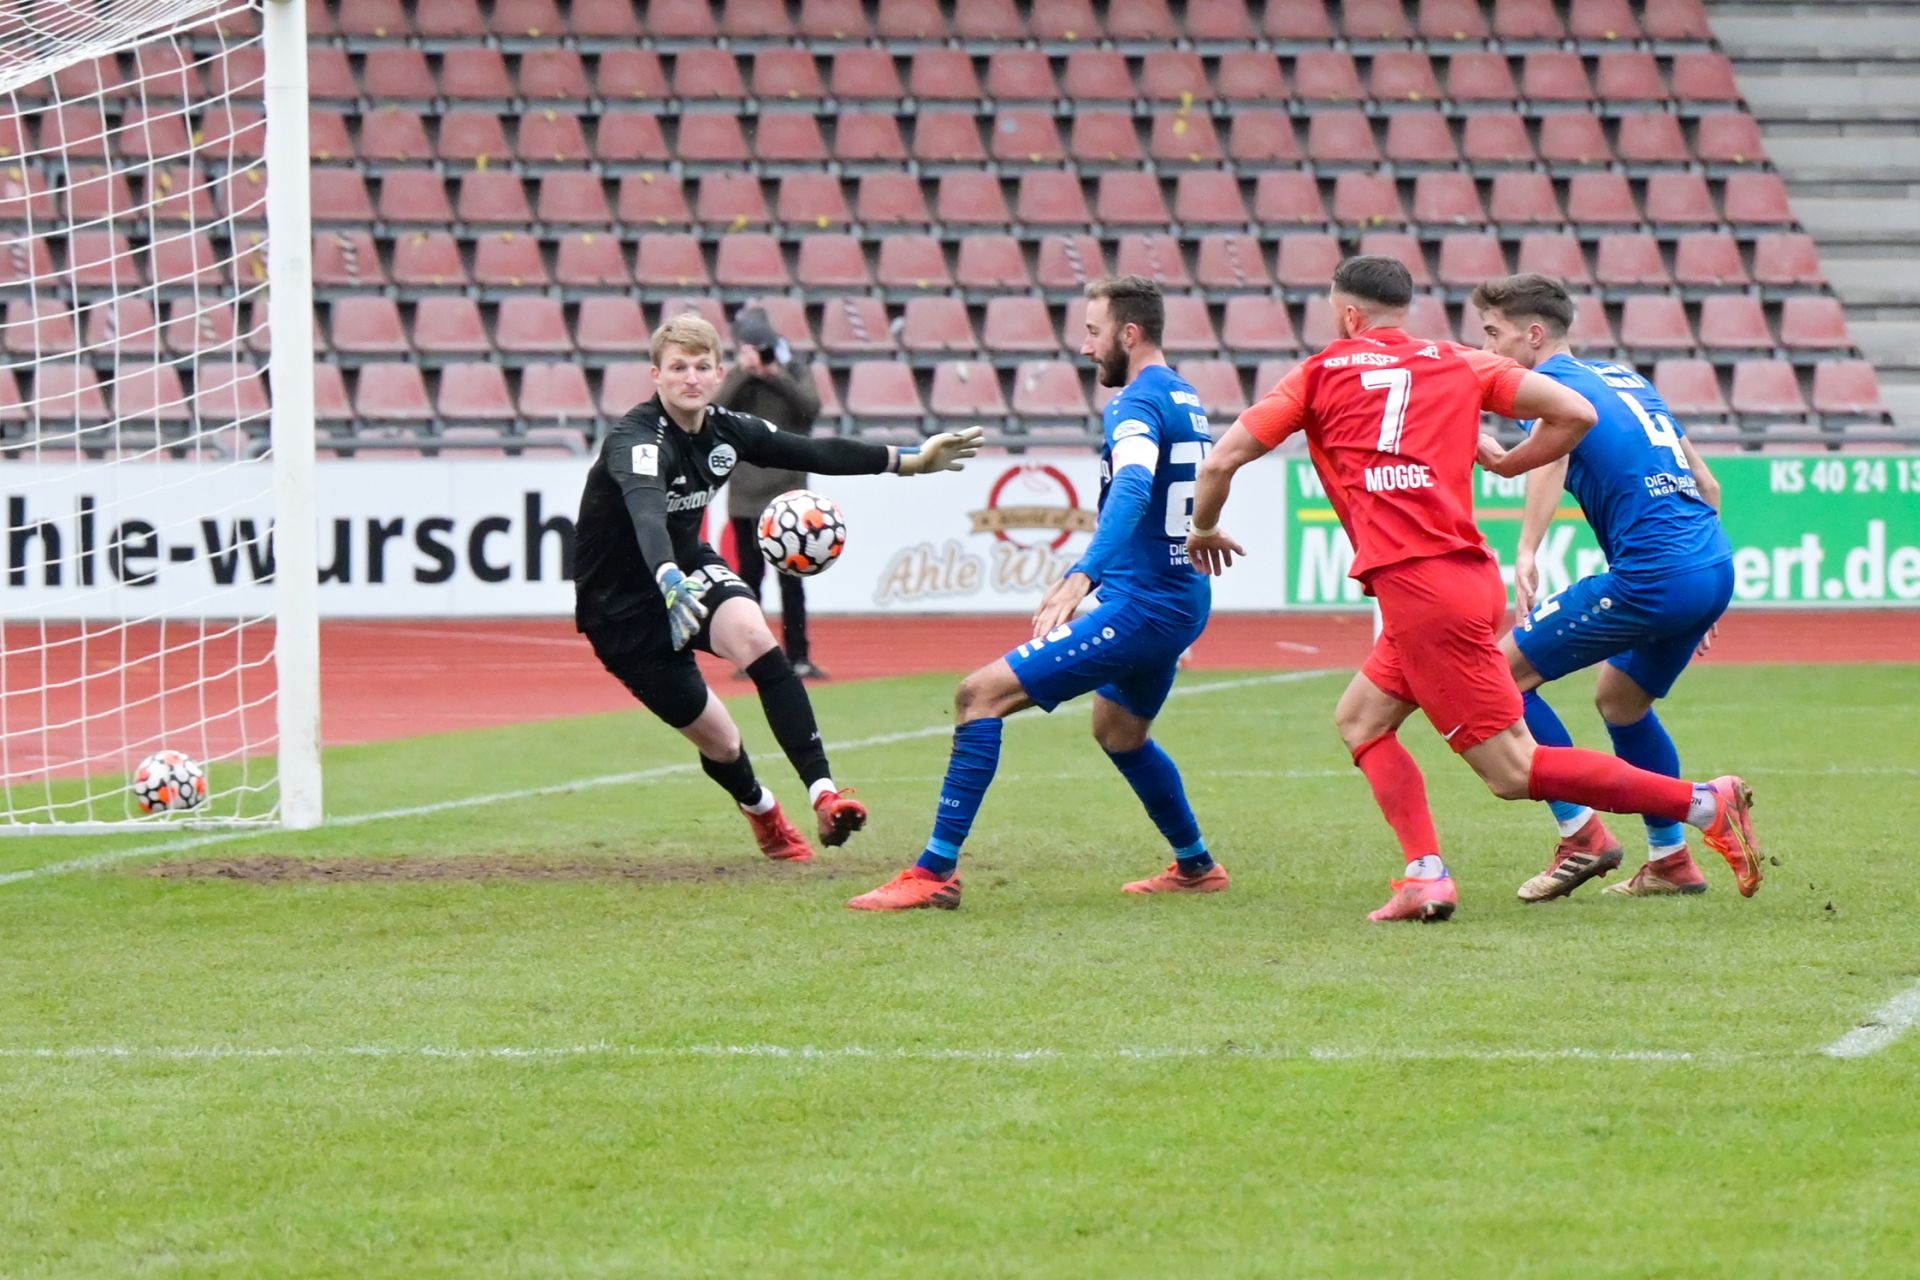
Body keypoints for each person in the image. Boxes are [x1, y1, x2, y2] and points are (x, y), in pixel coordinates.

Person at [1186, 256, 1764, 923]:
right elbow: (1576, 416)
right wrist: (1506, 465)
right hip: (1471, 578)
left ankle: (1699, 804)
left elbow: (1221, 461)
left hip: (1422, 589)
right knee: (1361, 720)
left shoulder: (1319, 373)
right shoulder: (1459, 361)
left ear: (1348, 315)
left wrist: (1203, 528)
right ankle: (1427, 874)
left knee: (1512, 772)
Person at [847, 276, 1222, 911]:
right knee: (1119, 733)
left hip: (1143, 606)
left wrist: (1083, 575)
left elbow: (1135, 487)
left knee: (978, 696)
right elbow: (1188, 481)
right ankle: (1196, 864)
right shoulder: (1184, 396)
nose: (1086, 346)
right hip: (1181, 597)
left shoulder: (1133, 404)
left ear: (1129, 334)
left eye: (1094, 332)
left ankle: (934, 871)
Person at [573, 313, 983, 864]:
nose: (691, 377)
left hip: (688, 571)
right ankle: (762, 809)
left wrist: (909, 461)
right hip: (619, 609)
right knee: (722, 743)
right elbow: (647, 512)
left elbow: (812, 451)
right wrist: (665, 575)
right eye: (678, 367)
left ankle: (826, 795)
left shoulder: (726, 429)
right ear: (656, 375)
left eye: (702, 366)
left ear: (719, 373)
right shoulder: (637, 440)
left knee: (757, 640)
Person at [1471, 274, 1735, 901]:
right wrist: (1700, 595)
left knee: (1498, 678)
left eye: (1492, 333)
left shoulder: (1554, 390)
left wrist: (1527, 550)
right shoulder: (1627, 379)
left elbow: (1552, 458)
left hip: (1653, 577)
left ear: (1535, 335)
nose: (1486, 348)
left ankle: (1580, 833)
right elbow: (1709, 485)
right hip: (1710, 566)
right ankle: (1671, 861)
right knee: (1621, 704)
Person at [720, 307, 828, 681]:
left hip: (788, 497)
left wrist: (775, 375)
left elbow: (810, 409)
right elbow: (717, 409)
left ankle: (798, 657)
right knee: (748, 581)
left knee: (792, 581)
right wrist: (744, 373)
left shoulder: (795, 370)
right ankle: (751, 658)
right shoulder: (739, 378)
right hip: (746, 495)